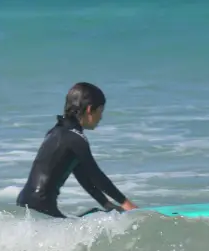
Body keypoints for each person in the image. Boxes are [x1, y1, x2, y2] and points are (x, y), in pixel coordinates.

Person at [16, 82, 138, 219]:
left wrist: (106, 203)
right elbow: (96, 175)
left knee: (95, 215)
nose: (101, 117)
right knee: (97, 220)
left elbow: (82, 176)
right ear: (89, 110)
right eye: (100, 111)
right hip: (41, 205)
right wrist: (126, 203)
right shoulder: (76, 138)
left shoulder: (56, 132)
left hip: (25, 202)